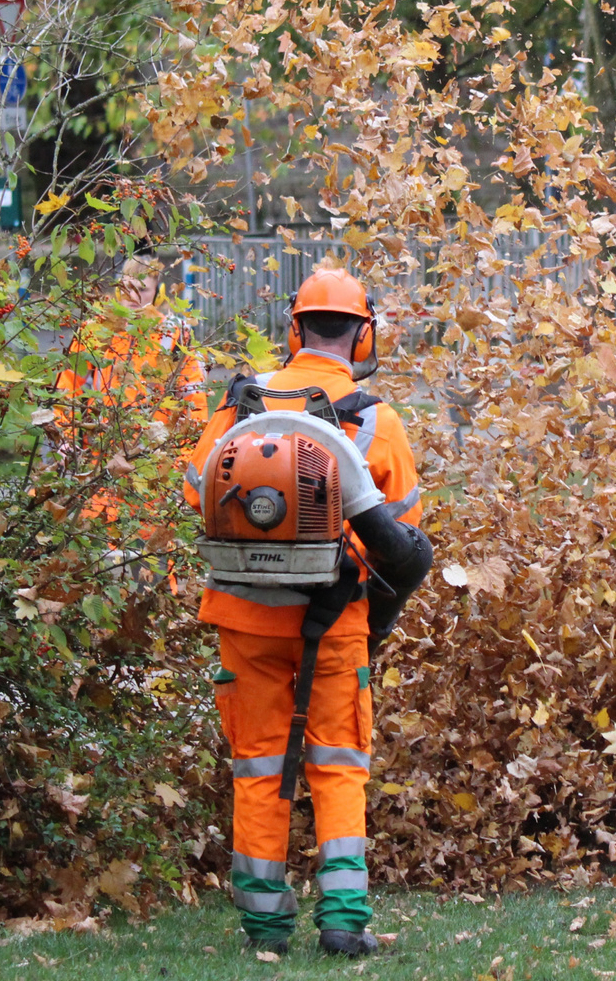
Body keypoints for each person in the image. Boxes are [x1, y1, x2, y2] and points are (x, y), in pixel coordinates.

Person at [182, 269, 422, 958]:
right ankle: (345, 917)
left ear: (296, 329)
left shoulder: (240, 404)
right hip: (337, 617)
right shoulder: (374, 418)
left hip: (243, 618)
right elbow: (404, 536)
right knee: (339, 763)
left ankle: (264, 925)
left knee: (258, 764)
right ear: (363, 332)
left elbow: (198, 488)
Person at [53, 255, 208, 531]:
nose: (133, 296)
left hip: (156, 462)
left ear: (158, 293)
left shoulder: (175, 335)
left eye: (143, 289)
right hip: (100, 458)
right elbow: (66, 391)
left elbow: (193, 404)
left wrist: (184, 463)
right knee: (96, 543)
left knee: (152, 547)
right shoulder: (96, 331)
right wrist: (64, 440)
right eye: (128, 288)